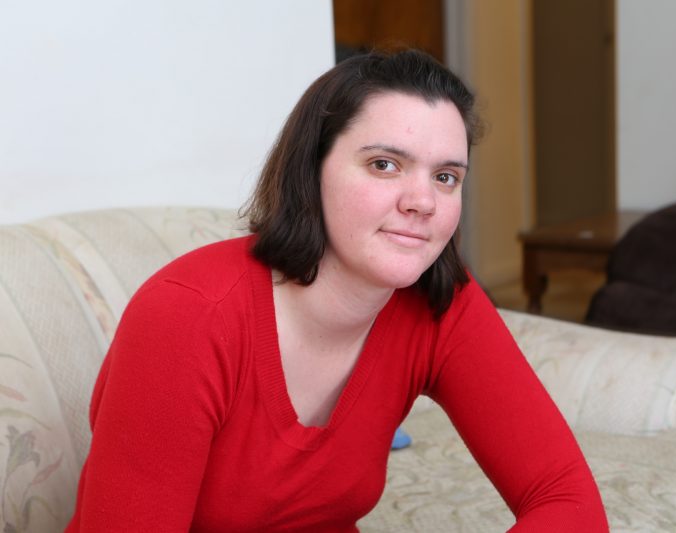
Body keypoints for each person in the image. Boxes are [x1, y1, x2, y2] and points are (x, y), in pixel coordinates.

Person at [66, 49, 608, 531]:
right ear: (312, 171)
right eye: (384, 165)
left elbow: (567, 498)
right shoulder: (187, 316)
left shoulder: (441, 302)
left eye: (446, 176)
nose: (422, 202)